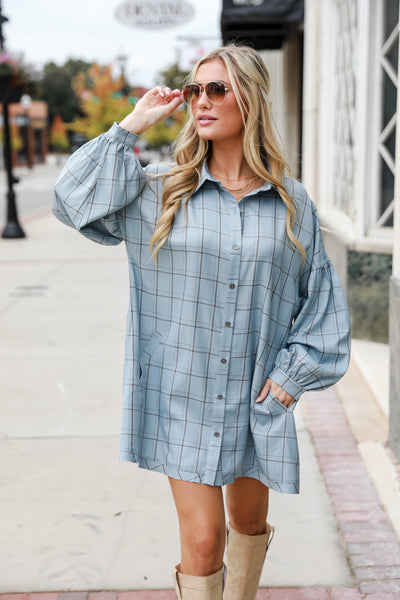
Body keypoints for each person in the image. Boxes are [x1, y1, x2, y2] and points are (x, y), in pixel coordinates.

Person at [53, 44, 351, 600]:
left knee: (248, 524)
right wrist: (131, 125)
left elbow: (322, 305)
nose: (202, 101)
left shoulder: (292, 204)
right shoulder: (157, 190)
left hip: (256, 397)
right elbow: (71, 201)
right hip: (182, 396)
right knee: (205, 538)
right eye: (195, 90)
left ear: (250, 99)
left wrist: (289, 381)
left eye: (218, 89)